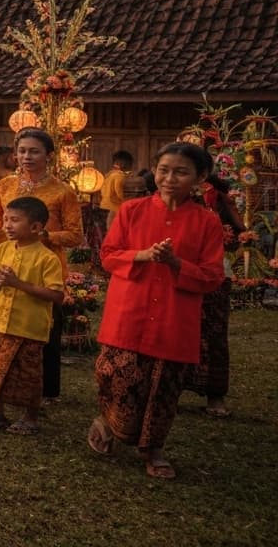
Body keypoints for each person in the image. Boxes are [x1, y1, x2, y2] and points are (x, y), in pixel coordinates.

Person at [89, 143, 225, 479]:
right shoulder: (131, 211)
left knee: (163, 388)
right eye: (164, 170)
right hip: (128, 312)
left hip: (173, 320)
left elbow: (212, 275)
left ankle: (153, 449)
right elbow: (108, 256)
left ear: (200, 177)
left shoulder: (207, 222)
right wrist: (143, 256)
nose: (169, 178)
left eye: (181, 172)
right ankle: (110, 420)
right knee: (115, 377)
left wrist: (176, 263)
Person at [0, 128, 83, 405]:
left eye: (34, 151)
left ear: (49, 155)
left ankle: (46, 390)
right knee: (7, 325)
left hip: (46, 263)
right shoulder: (4, 186)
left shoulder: (62, 191)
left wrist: (45, 236)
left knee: (45, 328)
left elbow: (75, 235)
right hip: (10, 260)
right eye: (22, 151)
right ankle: (3, 384)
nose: (26, 157)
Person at [0, 196, 65, 435]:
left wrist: (17, 283)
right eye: (5, 220)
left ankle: (30, 417)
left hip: (28, 327)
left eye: (14, 221)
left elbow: (56, 295)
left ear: (36, 227)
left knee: (28, 374)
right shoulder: (3, 249)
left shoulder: (47, 258)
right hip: (0, 322)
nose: (7, 226)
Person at [182, 173, 243, 418]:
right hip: (177, 273)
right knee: (175, 331)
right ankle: (168, 388)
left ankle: (215, 394)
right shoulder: (165, 202)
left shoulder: (219, 199)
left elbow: (239, 234)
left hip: (213, 276)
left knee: (213, 333)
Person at [100, 150, 134, 226]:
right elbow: (119, 191)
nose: (130, 167)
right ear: (123, 164)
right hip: (114, 206)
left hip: (104, 205)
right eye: (130, 165)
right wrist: (125, 200)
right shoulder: (119, 176)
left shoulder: (109, 175)